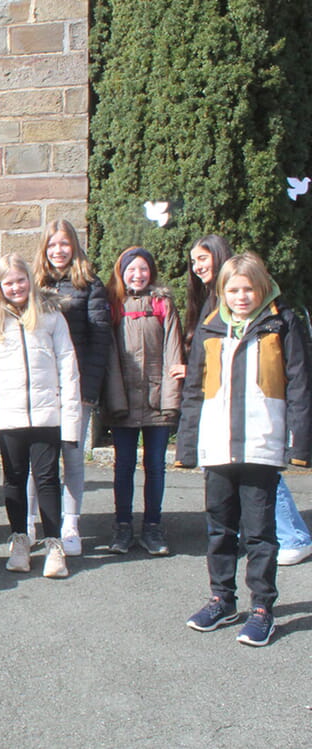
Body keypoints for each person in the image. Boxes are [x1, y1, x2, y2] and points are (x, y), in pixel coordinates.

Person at [179, 252, 310, 646]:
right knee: (219, 529)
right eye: (233, 290)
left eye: (248, 288)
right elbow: (194, 390)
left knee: (260, 534)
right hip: (218, 445)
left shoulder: (282, 323)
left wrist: (300, 444)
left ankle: (262, 608)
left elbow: (301, 386)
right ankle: (222, 599)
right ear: (222, 292)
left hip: (261, 444)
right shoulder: (210, 327)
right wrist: (187, 445)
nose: (240, 296)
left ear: (262, 287)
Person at [0, 254, 82, 579]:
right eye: (8, 282)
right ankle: (19, 539)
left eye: (20, 280)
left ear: (30, 281)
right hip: (9, 418)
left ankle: (54, 545)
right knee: (14, 479)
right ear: (0, 286)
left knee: (47, 479)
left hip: (47, 416)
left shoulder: (51, 316)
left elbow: (69, 368)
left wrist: (71, 421)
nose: (15, 287)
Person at [26, 219, 110, 555]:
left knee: (72, 457)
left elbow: (99, 340)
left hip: (77, 387)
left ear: (74, 246)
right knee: (39, 458)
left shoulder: (89, 284)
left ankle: (70, 524)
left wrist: (88, 390)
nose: (58, 251)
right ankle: (30, 522)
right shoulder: (33, 284)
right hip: (42, 386)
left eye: (64, 244)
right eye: (52, 245)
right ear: (44, 249)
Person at [102, 246, 182, 555]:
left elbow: (173, 351)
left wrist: (170, 399)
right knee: (123, 465)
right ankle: (122, 526)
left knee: (155, 466)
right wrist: (113, 399)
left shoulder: (163, 304)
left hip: (156, 399)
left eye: (144, 269)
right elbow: (109, 358)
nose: (138, 274)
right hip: (122, 400)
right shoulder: (113, 305)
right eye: (131, 269)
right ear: (121, 273)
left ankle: (153, 527)